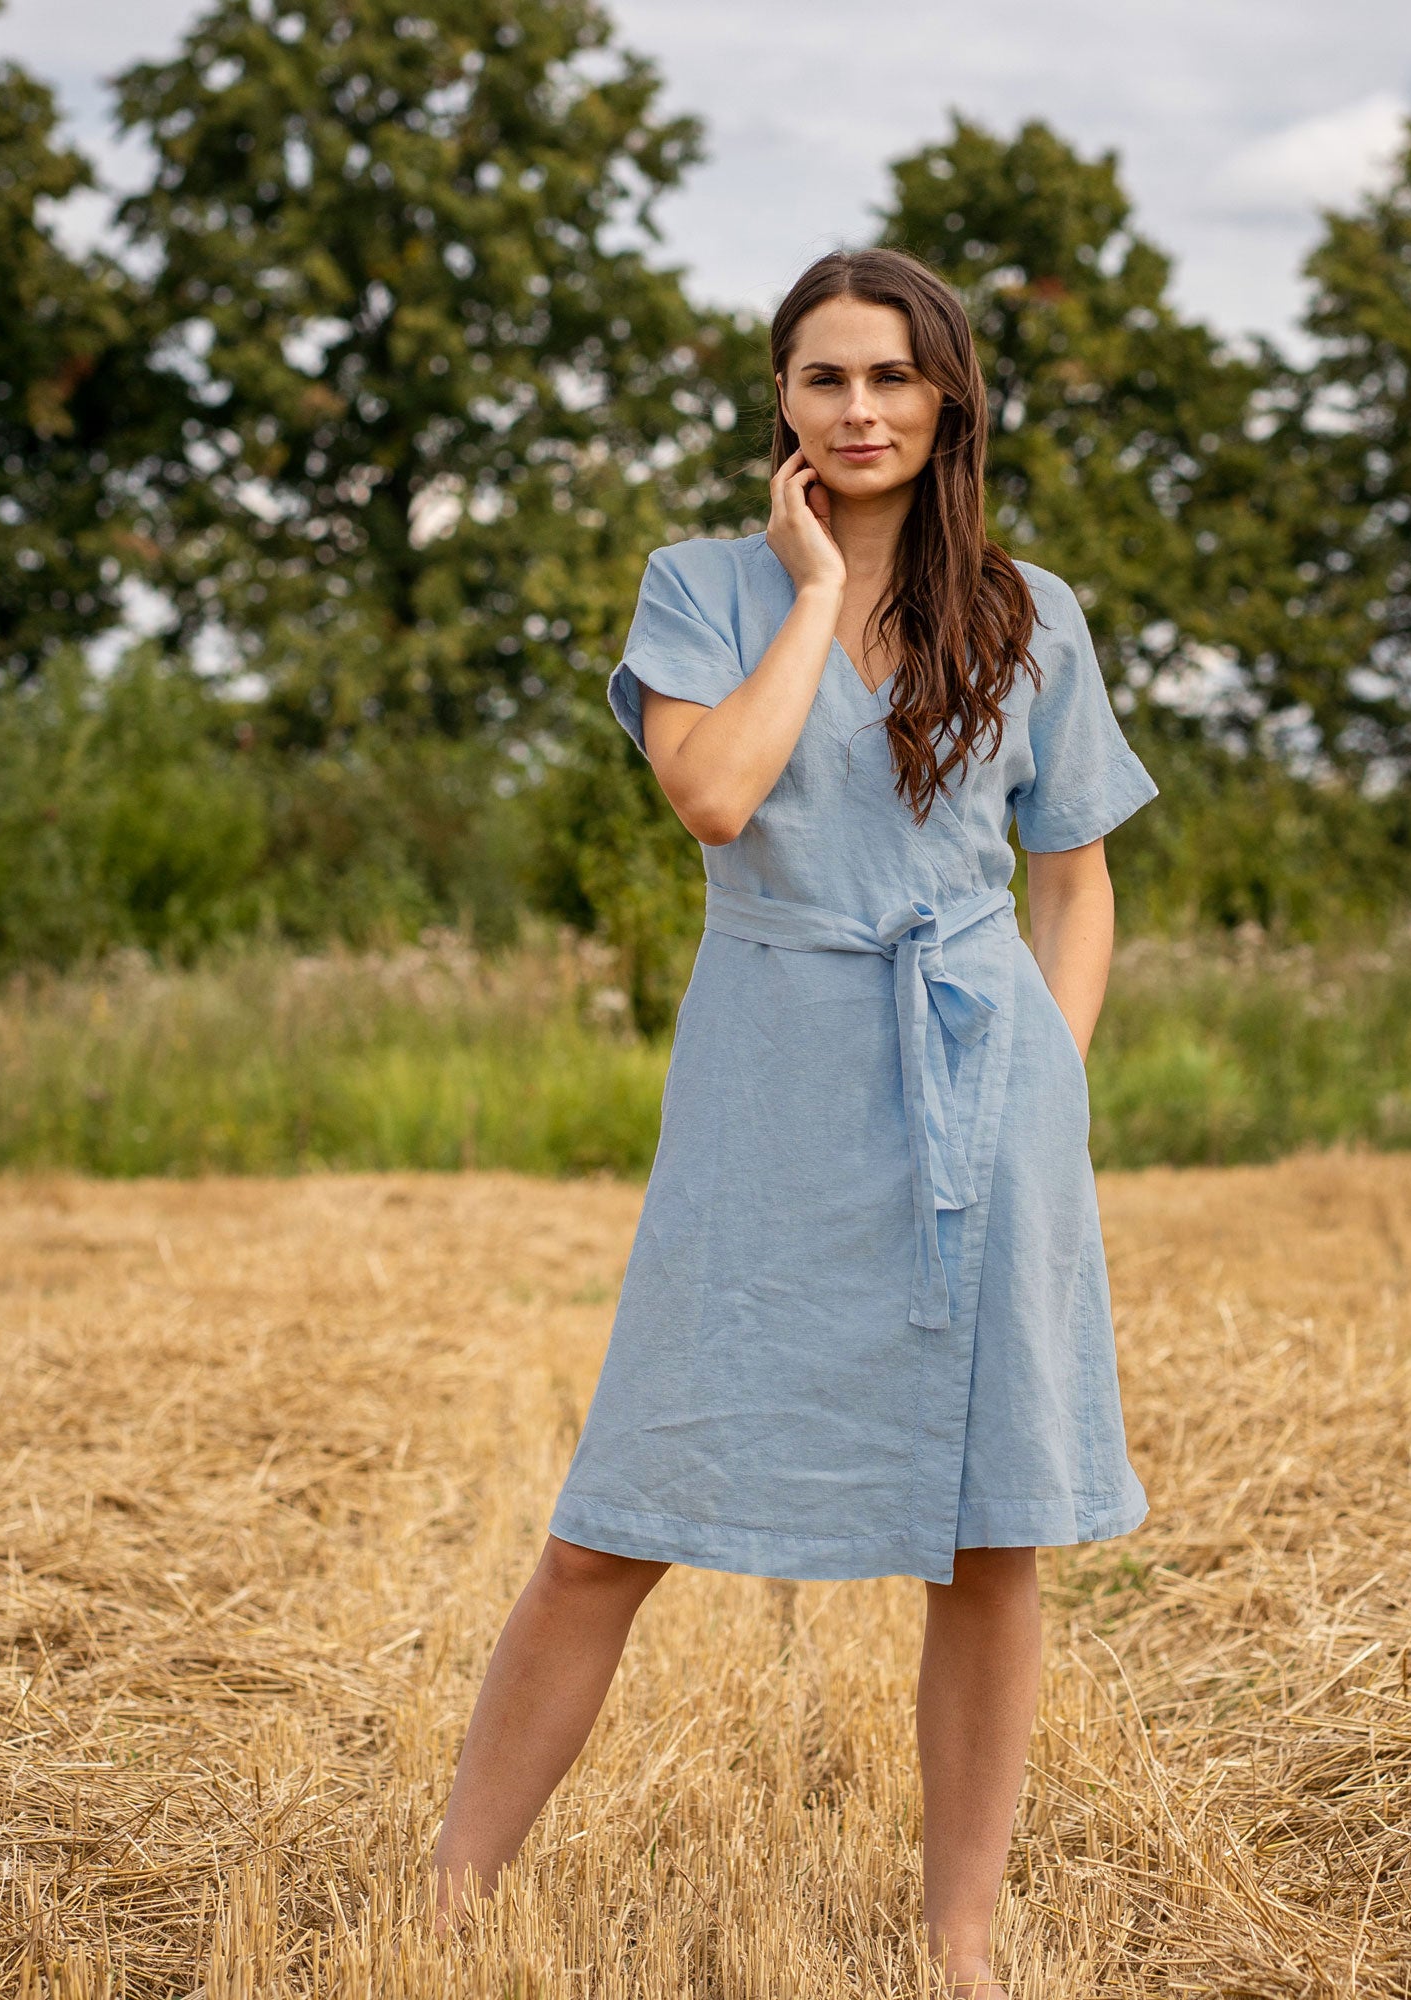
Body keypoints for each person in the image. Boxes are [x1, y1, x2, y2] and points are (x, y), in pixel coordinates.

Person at [429, 245, 1158, 1998]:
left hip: (980, 1082)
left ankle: (962, 1943)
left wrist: (1048, 1082)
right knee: (613, 1521)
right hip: (769, 1076)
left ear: (948, 399)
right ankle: (443, 1906)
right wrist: (816, 589)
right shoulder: (703, 584)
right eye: (825, 377)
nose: (859, 409)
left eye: (892, 377)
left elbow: (1075, 882)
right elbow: (714, 793)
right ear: (782, 399)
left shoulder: (1034, 614)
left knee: (989, 1533)